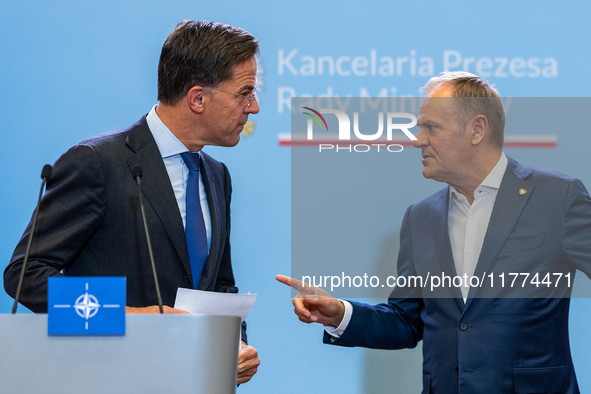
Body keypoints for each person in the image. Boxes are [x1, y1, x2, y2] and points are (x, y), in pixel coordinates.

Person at [277, 71, 591, 393]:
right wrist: (341, 314)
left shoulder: (558, 197)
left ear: (477, 129)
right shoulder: (420, 217)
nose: (417, 139)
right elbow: (406, 320)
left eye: (431, 127)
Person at [5, 20, 260, 384]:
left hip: (191, 382)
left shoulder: (217, 175)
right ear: (198, 98)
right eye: (245, 93)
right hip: (103, 380)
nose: (254, 107)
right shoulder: (96, 162)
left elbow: (218, 287)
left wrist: (232, 347)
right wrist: (128, 316)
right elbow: (25, 277)